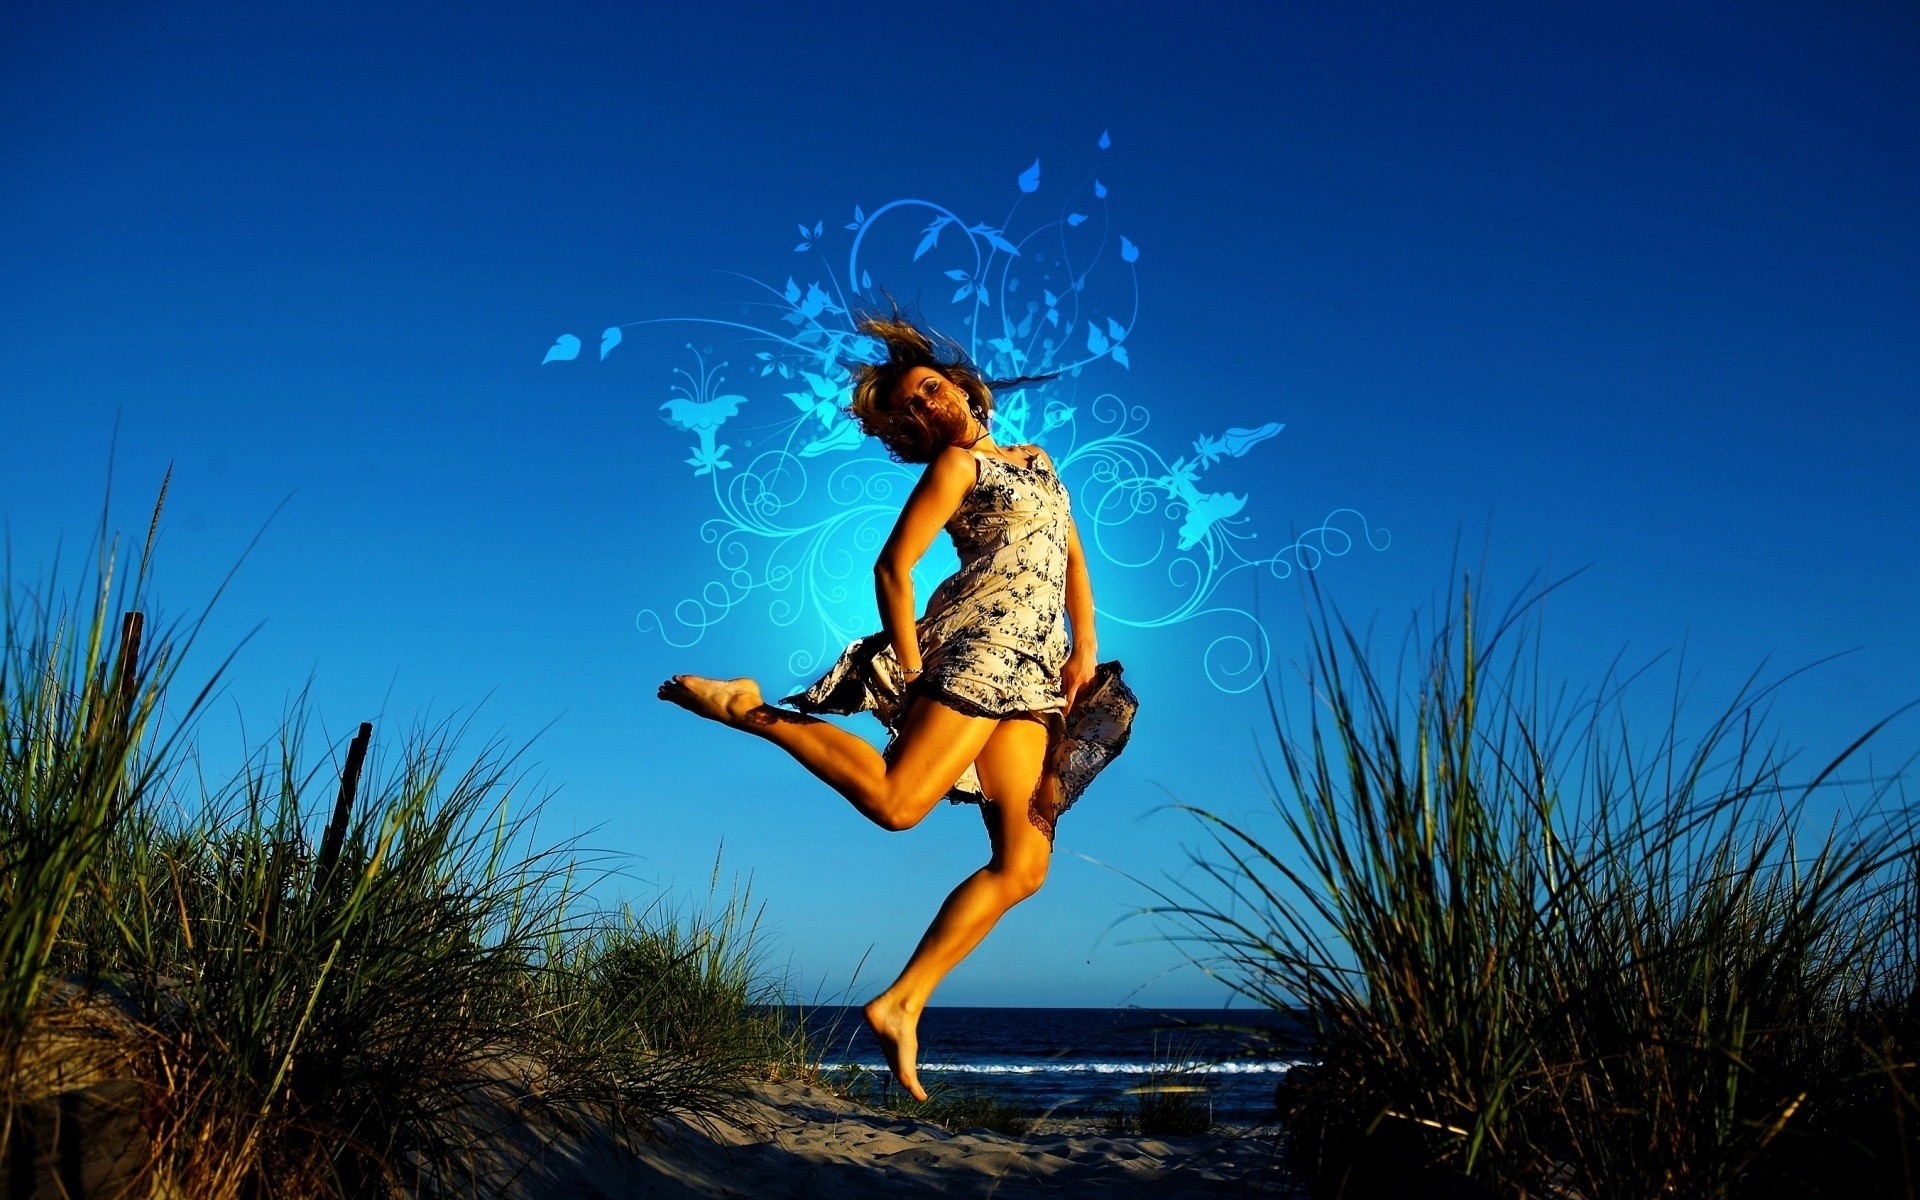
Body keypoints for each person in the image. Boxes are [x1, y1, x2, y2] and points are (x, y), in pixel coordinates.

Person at [657, 310, 1137, 1100]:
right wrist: (915, 675)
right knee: (896, 802)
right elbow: (893, 568)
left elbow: (1073, 558)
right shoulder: (956, 470)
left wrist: (1084, 650)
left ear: (966, 387)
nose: (925, 409)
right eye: (910, 410)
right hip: (979, 649)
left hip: (1038, 674)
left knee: (1024, 865)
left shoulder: (1040, 463)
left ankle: (901, 1002)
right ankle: (748, 709)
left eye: (929, 391)